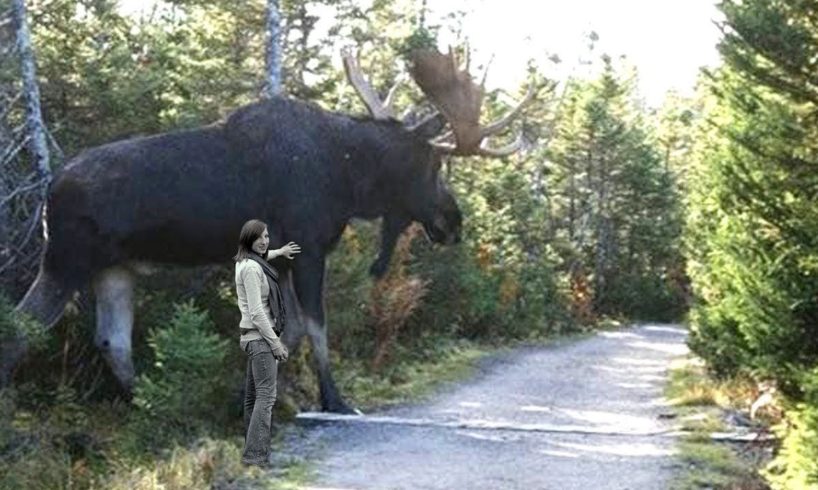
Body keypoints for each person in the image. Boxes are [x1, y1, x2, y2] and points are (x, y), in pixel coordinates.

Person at [233, 219, 301, 467]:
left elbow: (263, 255)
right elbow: (257, 312)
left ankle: (252, 453)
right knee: (265, 398)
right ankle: (256, 457)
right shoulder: (251, 270)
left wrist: (281, 252)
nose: (264, 241)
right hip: (261, 339)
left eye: (267, 236)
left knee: (253, 398)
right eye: (259, 237)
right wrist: (276, 343)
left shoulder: (246, 262)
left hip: (252, 339)